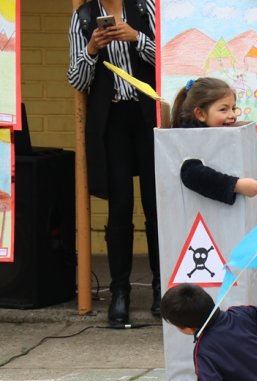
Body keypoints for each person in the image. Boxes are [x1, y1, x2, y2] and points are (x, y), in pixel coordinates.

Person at [67, 0, 161, 326]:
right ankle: (120, 291)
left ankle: (162, 287)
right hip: (112, 120)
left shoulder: (146, 6)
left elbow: (169, 58)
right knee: (120, 204)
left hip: (151, 115)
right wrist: (92, 48)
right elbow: (77, 80)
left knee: (156, 201)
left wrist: (137, 37)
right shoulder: (82, 16)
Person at [174, 77, 257, 204]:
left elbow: (233, 169)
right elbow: (191, 174)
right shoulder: (191, 139)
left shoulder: (223, 135)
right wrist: (237, 185)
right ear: (200, 114)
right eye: (223, 109)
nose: (233, 115)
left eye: (233, 108)